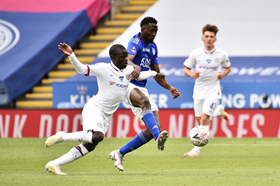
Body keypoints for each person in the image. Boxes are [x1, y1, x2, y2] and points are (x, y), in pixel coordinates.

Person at [44, 43, 165, 175]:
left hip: (106, 115)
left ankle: (55, 163)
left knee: (91, 144)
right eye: (122, 57)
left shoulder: (128, 70)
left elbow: (140, 76)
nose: (126, 59)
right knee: (98, 136)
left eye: (126, 57)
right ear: (113, 58)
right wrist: (72, 55)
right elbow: (82, 69)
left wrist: (155, 73)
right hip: (95, 108)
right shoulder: (103, 68)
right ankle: (64, 136)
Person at [109, 16, 181, 171]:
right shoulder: (135, 42)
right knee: (145, 103)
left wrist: (169, 87)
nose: (154, 34)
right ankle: (158, 138)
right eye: (151, 30)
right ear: (142, 30)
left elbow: (157, 74)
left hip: (141, 87)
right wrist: (134, 66)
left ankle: (119, 153)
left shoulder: (153, 47)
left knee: (153, 127)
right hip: (126, 84)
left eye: (156, 31)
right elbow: (127, 59)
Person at [183, 24, 231, 158]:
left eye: (212, 37)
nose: (209, 39)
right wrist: (192, 74)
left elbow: (228, 68)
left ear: (215, 39)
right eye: (207, 36)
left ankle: (195, 151)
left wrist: (223, 75)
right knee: (200, 120)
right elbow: (186, 69)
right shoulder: (195, 53)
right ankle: (218, 113)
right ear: (202, 38)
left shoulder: (221, 54)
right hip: (198, 90)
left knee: (204, 119)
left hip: (213, 90)